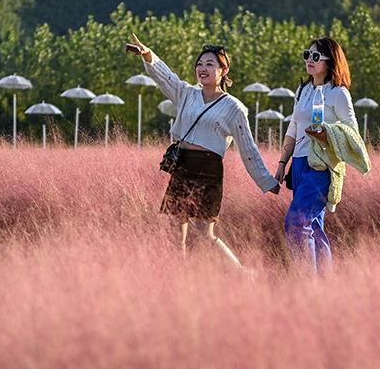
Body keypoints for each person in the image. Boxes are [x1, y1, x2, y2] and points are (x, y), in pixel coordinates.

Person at [126, 34, 280, 269]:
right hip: (183, 165)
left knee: (203, 232)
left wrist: (267, 181)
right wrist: (148, 54)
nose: (202, 68)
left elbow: (248, 147)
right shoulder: (187, 94)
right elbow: (166, 78)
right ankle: (179, 274)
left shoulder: (234, 107)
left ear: (223, 70)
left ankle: (241, 273)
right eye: (199, 64)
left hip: (208, 169)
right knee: (174, 226)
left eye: (210, 64)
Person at [274, 37, 359, 276]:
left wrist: (327, 135)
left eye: (316, 57)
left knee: (296, 222)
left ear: (330, 62)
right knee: (313, 225)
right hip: (299, 164)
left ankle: (306, 285)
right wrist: (283, 163)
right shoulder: (303, 89)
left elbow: (352, 131)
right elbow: (293, 127)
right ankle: (325, 288)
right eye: (307, 55)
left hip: (322, 166)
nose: (309, 61)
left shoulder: (338, 93)